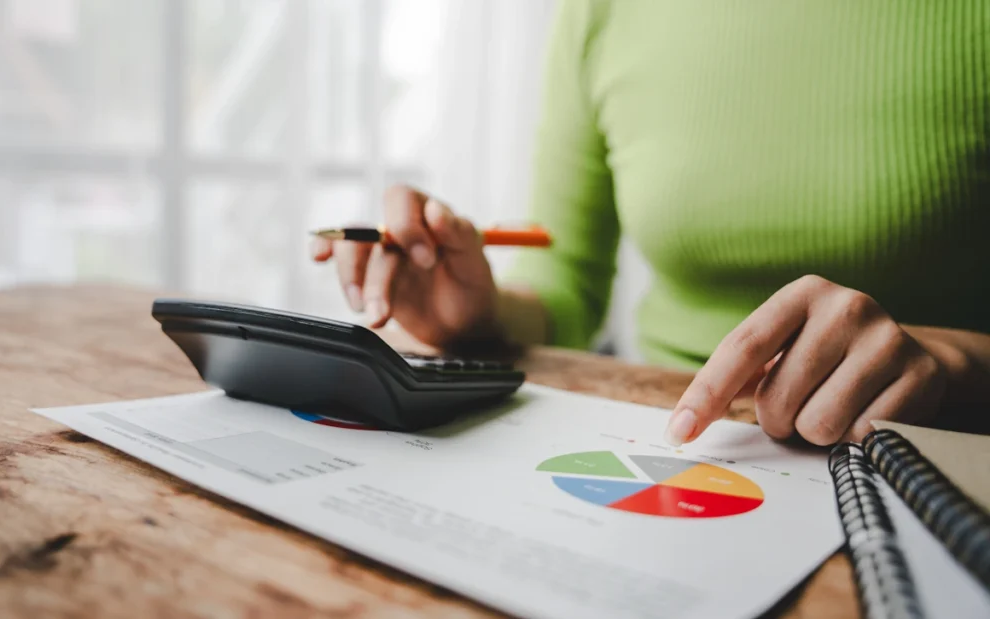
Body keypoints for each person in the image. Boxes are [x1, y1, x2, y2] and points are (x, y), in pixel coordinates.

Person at [312, 0, 990, 447]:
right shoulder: (602, 12)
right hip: (672, 441)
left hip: (925, 454)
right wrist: (477, 313)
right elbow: (564, 276)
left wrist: (950, 363)